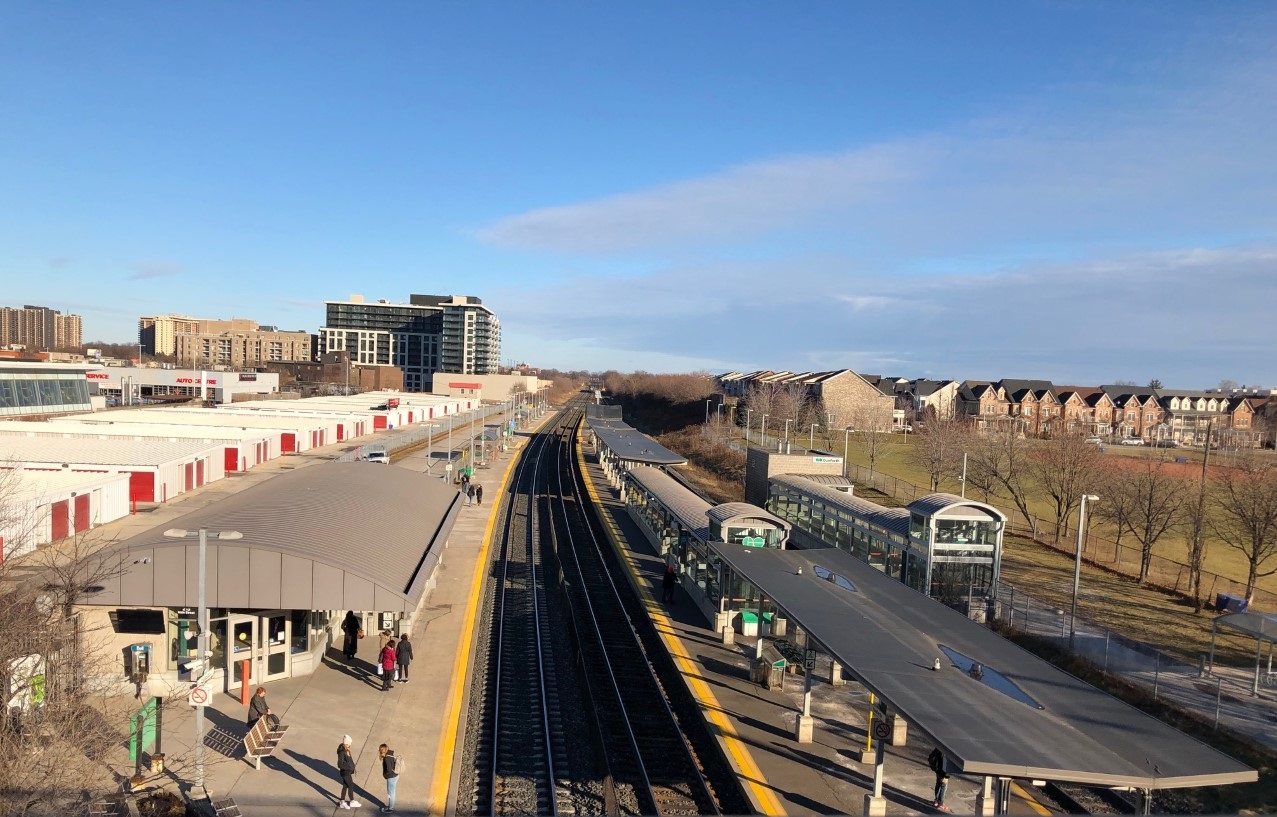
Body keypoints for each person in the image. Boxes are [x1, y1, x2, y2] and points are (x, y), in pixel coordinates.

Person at [337, 734, 361, 809]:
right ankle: (352, 802)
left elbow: (349, 760)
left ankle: (342, 802)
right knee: (350, 785)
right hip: (345, 772)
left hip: (347, 771)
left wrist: (352, 767)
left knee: (345, 786)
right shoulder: (342, 752)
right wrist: (350, 767)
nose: (350, 746)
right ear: (346, 743)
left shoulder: (346, 749)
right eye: (349, 744)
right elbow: (340, 764)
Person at [378, 743, 400, 813]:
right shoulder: (390, 754)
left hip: (391, 777)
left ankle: (390, 808)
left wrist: (385, 775)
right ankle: (391, 806)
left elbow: (389, 770)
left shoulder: (387, 758)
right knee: (392, 792)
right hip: (396, 776)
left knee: (391, 793)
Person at [929, 747, 950, 812]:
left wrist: (935, 769)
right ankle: (940, 803)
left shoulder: (939, 747)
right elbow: (946, 763)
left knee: (938, 784)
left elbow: (931, 757)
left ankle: (936, 801)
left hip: (938, 770)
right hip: (943, 772)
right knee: (943, 786)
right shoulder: (947, 750)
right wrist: (946, 776)